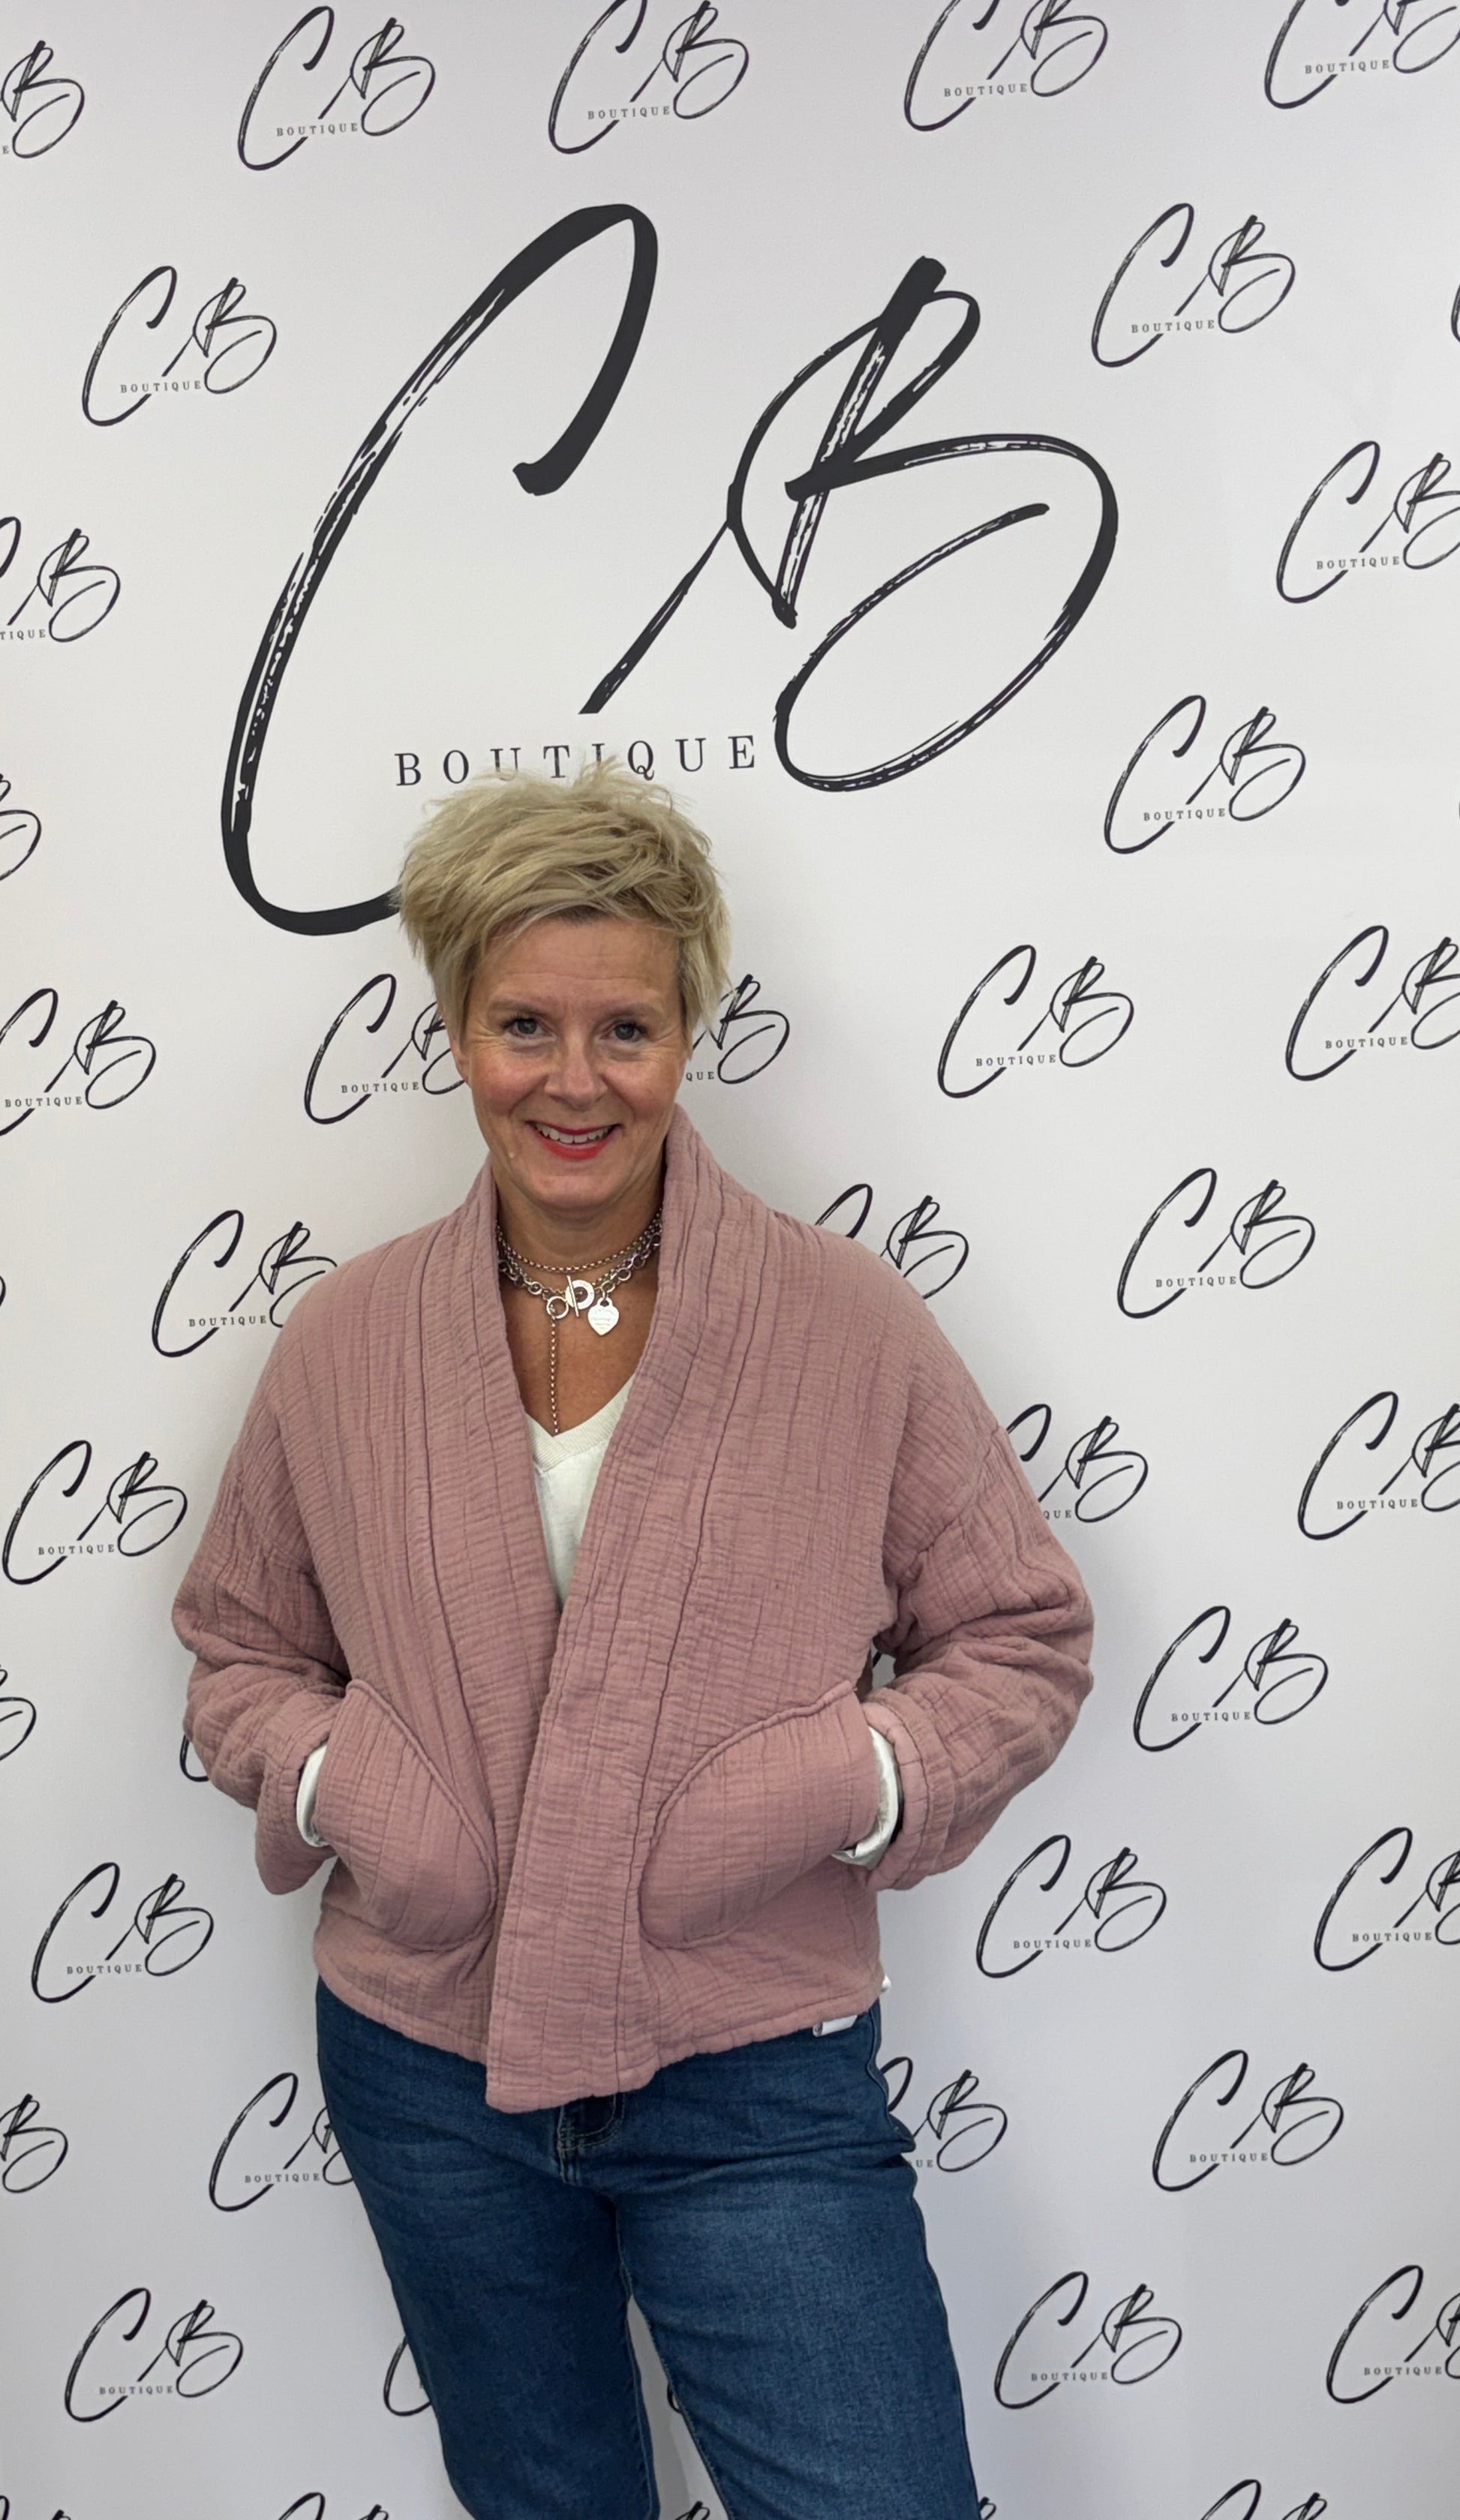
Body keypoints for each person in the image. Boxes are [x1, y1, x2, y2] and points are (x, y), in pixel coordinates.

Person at [173, 758, 1095, 2520]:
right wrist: (348, 1778)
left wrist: (845, 1776)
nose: (574, 1079)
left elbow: (1019, 1632)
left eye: (626, 1029)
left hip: (753, 2077)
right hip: (424, 2074)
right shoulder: (346, 1342)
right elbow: (240, 1643)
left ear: (687, 1036)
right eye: (524, 1023)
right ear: (457, 1028)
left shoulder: (844, 1326)